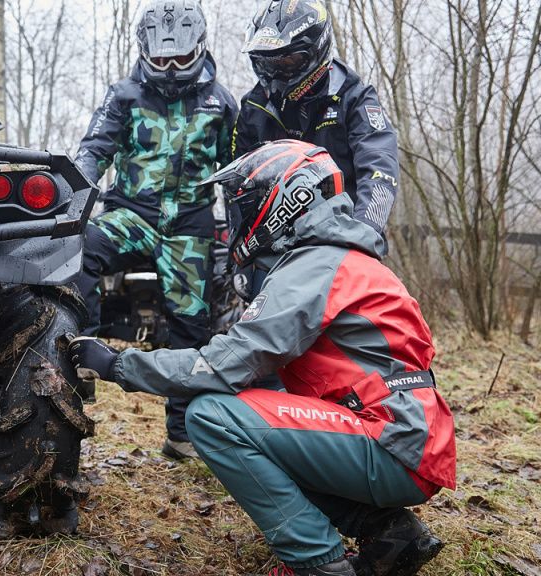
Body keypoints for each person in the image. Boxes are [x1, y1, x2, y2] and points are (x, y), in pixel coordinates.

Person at [67, 141, 454, 576]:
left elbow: (223, 365)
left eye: (245, 204)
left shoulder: (316, 266)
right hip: (401, 434)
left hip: (392, 440)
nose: (238, 217)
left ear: (291, 199)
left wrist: (118, 364)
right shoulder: (338, 259)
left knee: (212, 416)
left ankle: (317, 563)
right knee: (256, 401)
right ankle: (389, 532)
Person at [74, 0, 237, 460]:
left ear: (199, 50)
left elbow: (237, 171)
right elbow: (93, 151)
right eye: (161, 59)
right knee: (75, 251)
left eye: (181, 60)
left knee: (191, 324)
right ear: (145, 52)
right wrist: (76, 201)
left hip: (190, 222)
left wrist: (244, 230)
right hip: (131, 213)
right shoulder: (123, 94)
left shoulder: (221, 102)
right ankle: (80, 358)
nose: (169, 69)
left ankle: (181, 434)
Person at [231, 0, 400, 299]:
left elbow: (380, 170)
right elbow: (238, 187)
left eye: (286, 62)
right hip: (274, 247)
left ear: (315, 52)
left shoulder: (355, 99)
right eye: (267, 62)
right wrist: (239, 255)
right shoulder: (254, 107)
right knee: (266, 338)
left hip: (341, 240)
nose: (275, 72)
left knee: (340, 337)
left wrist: (365, 232)